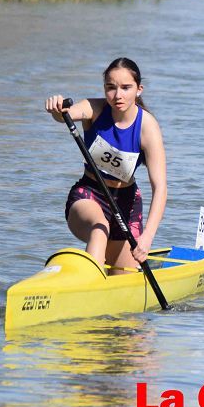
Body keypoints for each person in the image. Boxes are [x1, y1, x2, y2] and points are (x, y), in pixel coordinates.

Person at [45, 58, 167, 275]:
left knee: (124, 280)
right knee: (100, 228)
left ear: (139, 90)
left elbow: (160, 188)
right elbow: (65, 114)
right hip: (89, 195)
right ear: (104, 89)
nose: (117, 95)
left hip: (126, 203)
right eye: (111, 88)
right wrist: (57, 107)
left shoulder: (148, 126)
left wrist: (147, 238)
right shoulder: (95, 109)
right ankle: (85, 287)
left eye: (126, 88)